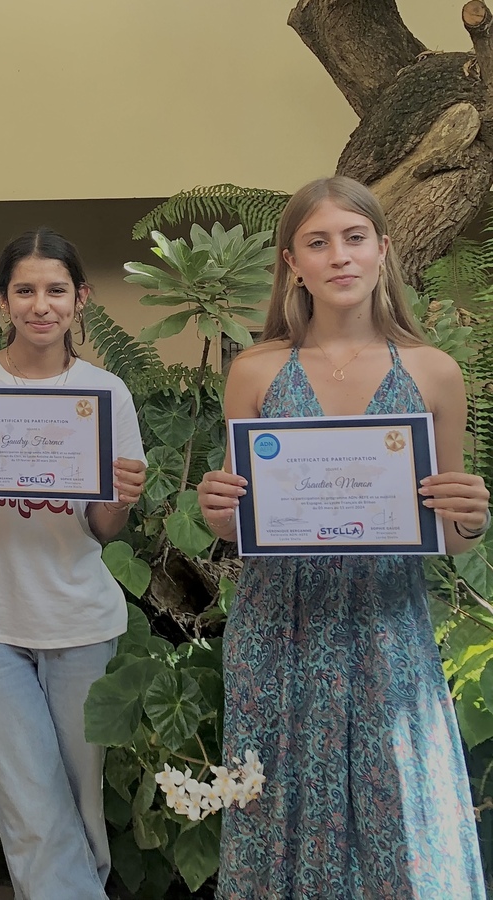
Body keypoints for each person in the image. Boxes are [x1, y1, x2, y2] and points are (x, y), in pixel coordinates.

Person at [197, 176, 491, 898]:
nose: (339, 256)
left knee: (399, 806)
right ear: (292, 262)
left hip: (385, 624)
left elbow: (453, 535)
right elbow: (240, 522)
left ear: (382, 249)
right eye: (318, 242)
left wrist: (469, 515)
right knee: (277, 807)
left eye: (355, 238)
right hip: (279, 627)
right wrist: (219, 510)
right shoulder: (255, 371)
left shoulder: (434, 372)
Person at [0, 227, 146, 898]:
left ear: (81, 299)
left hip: (79, 618)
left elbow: (103, 527)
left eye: (56, 290)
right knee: (30, 809)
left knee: (79, 807)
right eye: (25, 291)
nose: (41, 305)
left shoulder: (106, 394)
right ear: (2, 300)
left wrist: (120, 498)